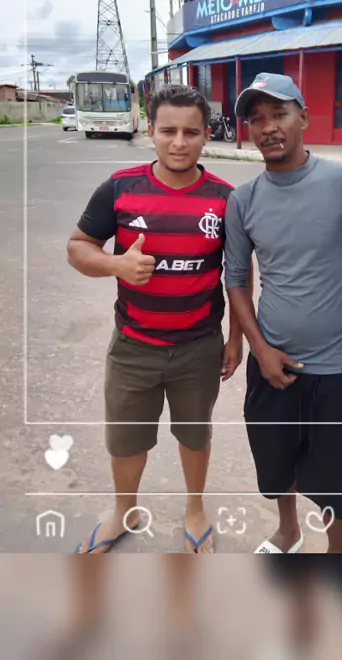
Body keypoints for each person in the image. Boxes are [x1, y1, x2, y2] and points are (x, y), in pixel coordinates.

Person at [67, 84, 243, 554]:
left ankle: (195, 509)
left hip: (199, 347)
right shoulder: (120, 188)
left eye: (191, 132)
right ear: (150, 130)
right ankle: (124, 511)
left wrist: (235, 339)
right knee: (126, 439)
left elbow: (238, 275)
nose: (179, 142)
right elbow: (78, 247)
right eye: (168, 131)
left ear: (207, 134)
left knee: (195, 434)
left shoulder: (225, 199)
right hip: (133, 345)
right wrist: (116, 265)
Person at [225, 72, 342, 554]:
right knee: (275, 465)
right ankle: (288, 531)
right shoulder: (243, 200)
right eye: (256, 118)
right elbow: (236, 279)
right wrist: (259, 350)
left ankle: (335, 555)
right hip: (271, 364)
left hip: (335, 367)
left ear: (303, 118)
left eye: (279, 113)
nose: (268, 127)